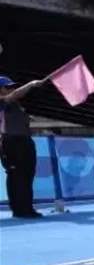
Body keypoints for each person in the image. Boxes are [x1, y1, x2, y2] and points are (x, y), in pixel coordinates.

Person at [0, 76, 45, 218]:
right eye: (7, 87)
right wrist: (31, 84)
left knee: (28, 174)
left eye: (12, 86)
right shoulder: (3, 101)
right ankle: (18, 209)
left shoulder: (17, 104)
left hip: (25, 140)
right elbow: (13, 96)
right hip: (10, 142)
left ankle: (28, 207)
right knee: (16, 175)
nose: (11, 89)